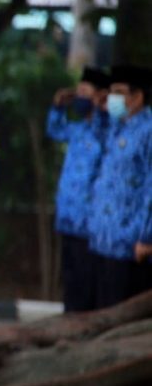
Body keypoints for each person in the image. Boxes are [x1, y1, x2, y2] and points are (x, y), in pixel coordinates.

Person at [87, 64, 152, 308]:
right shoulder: (118, 128)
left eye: (118, 92)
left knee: (120, 313)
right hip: (104, 240)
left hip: (129, 245)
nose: (112, 98)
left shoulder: (148, 131)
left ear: (137, 97)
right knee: (100, 313)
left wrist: (146, 237)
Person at [47, 66, 110, 312]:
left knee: (86, 283)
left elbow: (104, 131)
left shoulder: (106, 130)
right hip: (68, 218)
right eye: (78, 92)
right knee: (70, 280)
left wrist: (102, 109)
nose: (80, 97)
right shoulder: (78, 129)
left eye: (85, 92)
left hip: (89, 223)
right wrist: (58, 107)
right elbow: (55, 130)